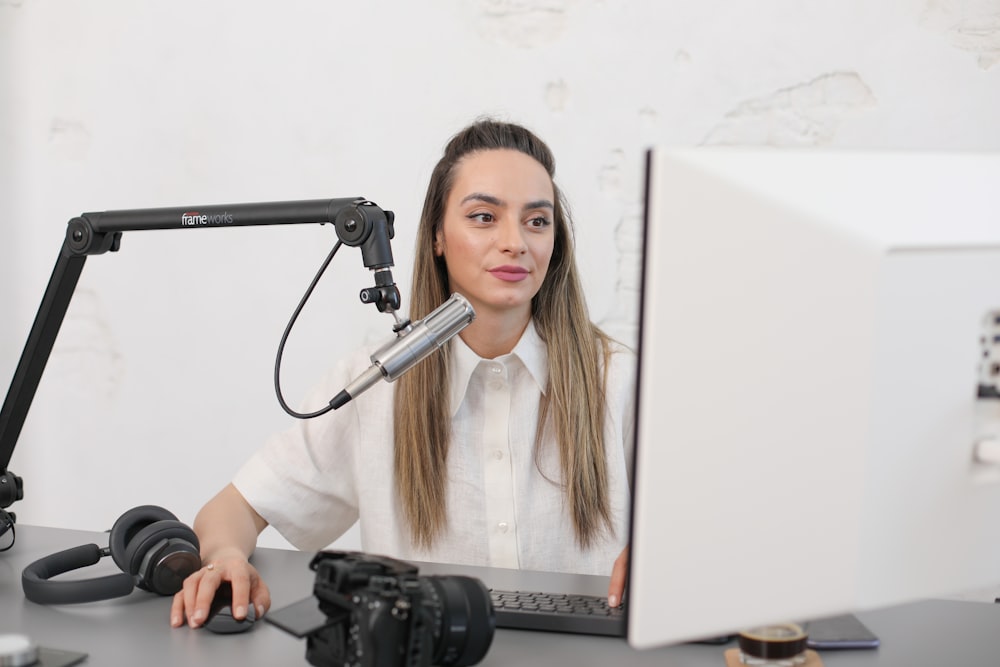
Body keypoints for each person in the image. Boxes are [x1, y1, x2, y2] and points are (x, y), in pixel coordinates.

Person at [170, 119, 635, 629]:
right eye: (484, 217)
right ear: (438, 237)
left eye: (537, 221)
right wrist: (226, 559)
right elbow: (232, 510)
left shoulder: (623, 383)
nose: (514, 242)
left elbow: (710, 527)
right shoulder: (373, 385)